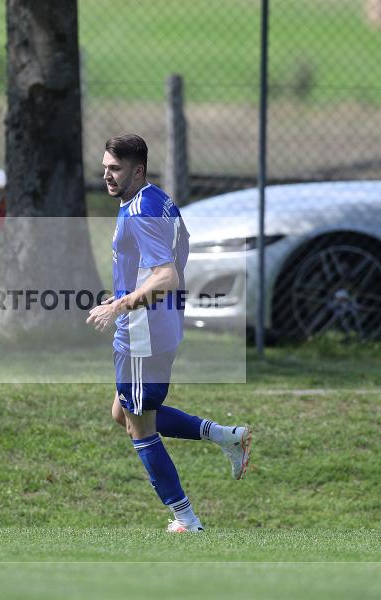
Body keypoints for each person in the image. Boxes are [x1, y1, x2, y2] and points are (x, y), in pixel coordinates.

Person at [86, 134, 251, 533]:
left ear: (137, 170)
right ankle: (225, 436)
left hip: (142, 333)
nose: (107, 175)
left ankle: (187, 520)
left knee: (139, 428)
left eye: (115, 169)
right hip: (156, 325)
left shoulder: (141, 213)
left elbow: (166, 276)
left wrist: (120, 305)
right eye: (105, 167)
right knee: (122, 413)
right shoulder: (155, 199)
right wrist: (126, 291)